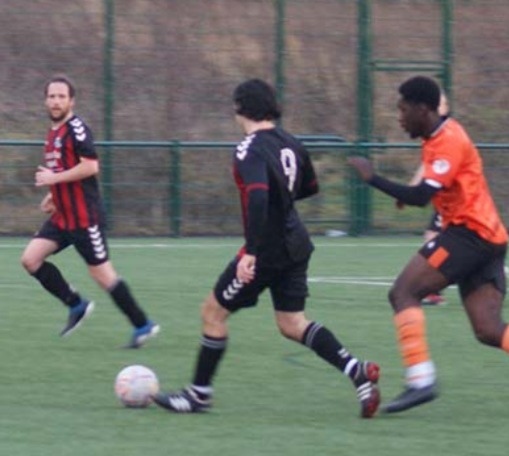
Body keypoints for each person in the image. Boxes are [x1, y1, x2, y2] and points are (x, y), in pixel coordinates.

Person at [347, 75, 509, 415]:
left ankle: (420, 380)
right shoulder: (436, 136)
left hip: (470, 236)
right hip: (489, 239)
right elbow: (431, 188)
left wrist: (371, 177)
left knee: (403, 292)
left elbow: (421, 197)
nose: (399, 118)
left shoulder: (449, 139)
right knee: (488, 330)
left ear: (422, 109)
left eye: (403, 110)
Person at [153, 79, 380, 418]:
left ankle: (198, 394)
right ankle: (357, 372)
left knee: (213, 312)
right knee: (292, 323)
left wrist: (252, 253)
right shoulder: (291, 142)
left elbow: (258, 196)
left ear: (240, 108)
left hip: (268, 249)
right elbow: (307, 188)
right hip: (296, 243)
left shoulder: (249, 148)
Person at [20, 75, 159, 348]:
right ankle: (76, 304)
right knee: (30, 260)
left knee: (102, 275)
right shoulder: (53, 133)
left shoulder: (77, 129)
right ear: (45, 100)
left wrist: (54, 180)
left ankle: (143, 325)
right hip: (63, 216)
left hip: (85, 218)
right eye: (52, 96)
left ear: (72, 101)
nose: (56, 101)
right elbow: (65, 169)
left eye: (62, 96)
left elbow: (90, 166)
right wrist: (53, 194)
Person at [406, 91, 450, 306]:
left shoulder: (447, 134)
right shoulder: (432, 135)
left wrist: (411, 191)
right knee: (433, 238)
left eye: (442, 103)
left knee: (433, 240)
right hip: (444, 202)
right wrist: (411, 187)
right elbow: (426, 166)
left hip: (454, 204)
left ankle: (432, 289)